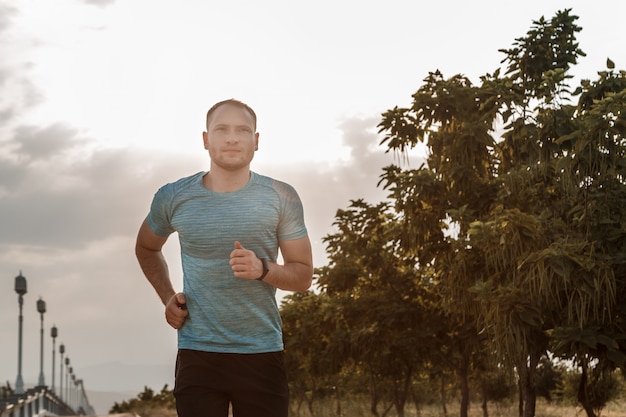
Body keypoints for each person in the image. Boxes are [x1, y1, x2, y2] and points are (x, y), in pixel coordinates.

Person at [135, 98, 313, 417]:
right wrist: (166, 297)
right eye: (222, 129)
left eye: (242, 130)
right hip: (197, 354)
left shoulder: (281, 197)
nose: (232, 138)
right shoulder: (173, 197)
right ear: (206, 139)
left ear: (256, 141)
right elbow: (146, 247)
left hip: (261, 354)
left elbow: (303, 276)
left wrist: (263, 269)